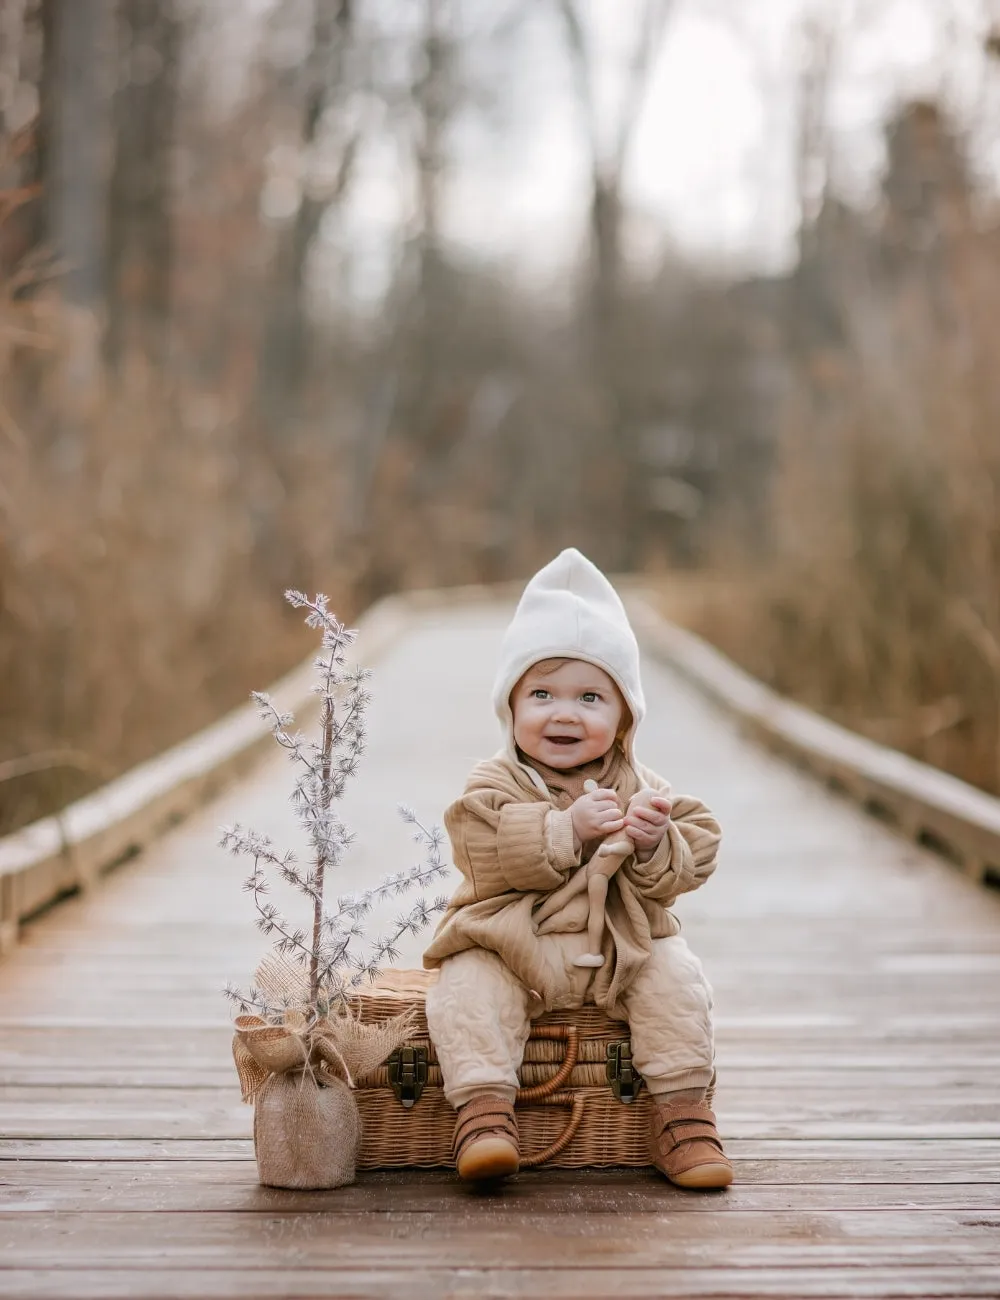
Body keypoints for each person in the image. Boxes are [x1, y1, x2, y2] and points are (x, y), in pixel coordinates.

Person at [423, 548, 732, 1189]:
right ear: (511, 707)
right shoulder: (495, 779)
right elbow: (479, 847)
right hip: (512, 941)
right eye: (541, 693)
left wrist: (654, 843)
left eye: (590, 697)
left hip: (619, 949)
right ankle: (483, 1116)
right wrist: (565, 830)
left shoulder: (639, 783)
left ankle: (681, 1117)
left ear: (624, 720)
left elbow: (697, 846)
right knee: (467, 987)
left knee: (676, 979)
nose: (563, 713)